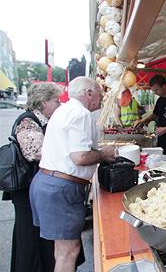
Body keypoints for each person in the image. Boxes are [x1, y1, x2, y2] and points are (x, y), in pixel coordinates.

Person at [29, 77, 116, 271]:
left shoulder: (63, 110)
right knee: (68, 252)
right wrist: (105, 154)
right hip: (61, 188)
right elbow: (80, 157)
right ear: (89, 93)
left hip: (47, 182)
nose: (101, 99)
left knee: (62, 250)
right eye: (100, 95)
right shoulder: (81, 114)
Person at [1, 83, 61, 272]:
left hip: (33, 187)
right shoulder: (28, 121)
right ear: (43, 102)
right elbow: (36, 152)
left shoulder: (40, 120)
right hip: (26, 188)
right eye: (56, 100)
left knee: (38, 234)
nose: (59, 104)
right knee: (30, 235)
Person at [134, 75, 166, 160]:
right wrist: (142, 120)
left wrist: (165, 129)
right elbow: (155, 114)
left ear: (164, 86)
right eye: (153, 90)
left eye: (156, 90)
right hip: (162, 139)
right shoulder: (160, 100)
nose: (155, 92)